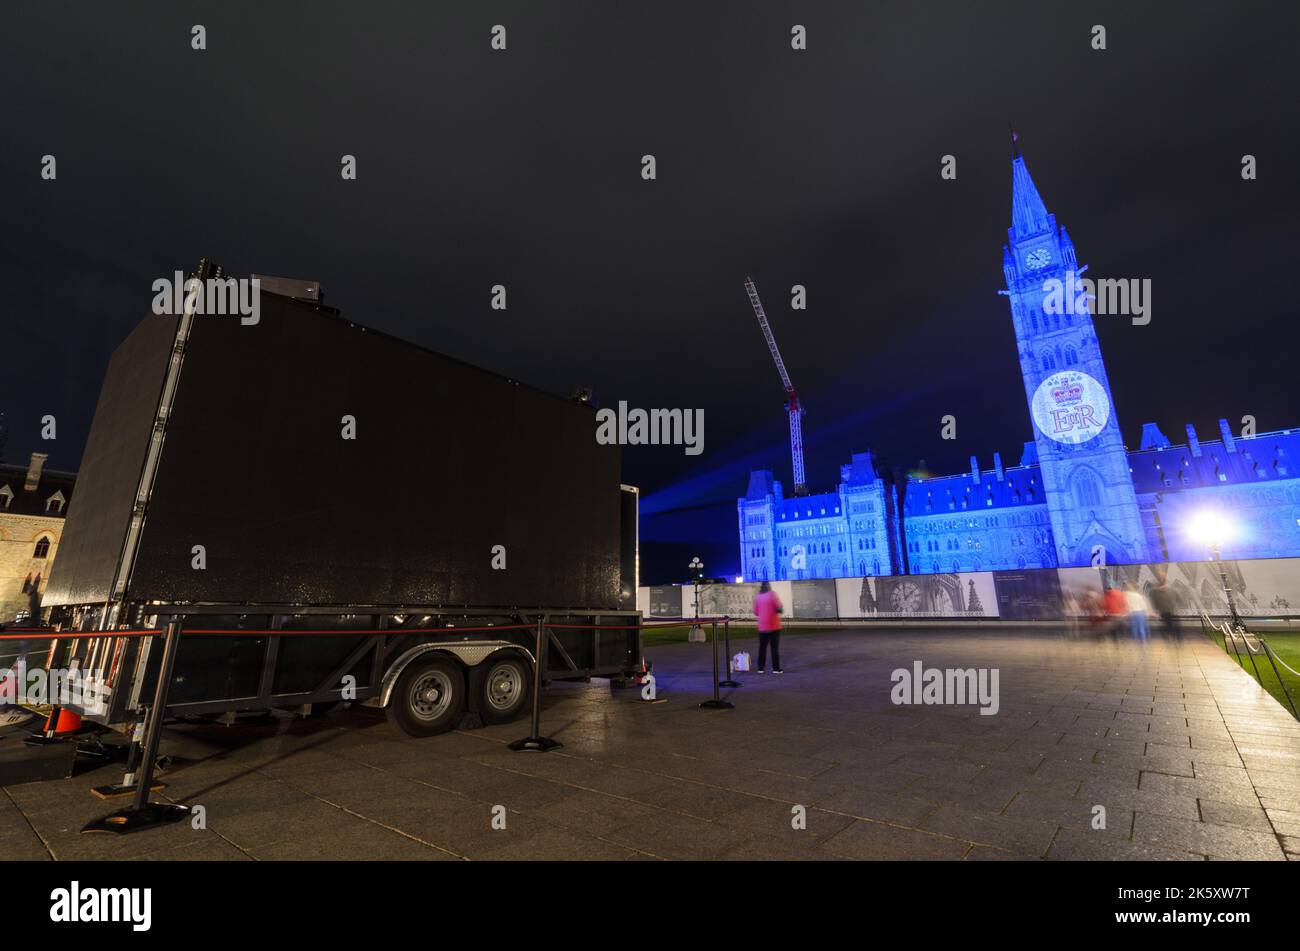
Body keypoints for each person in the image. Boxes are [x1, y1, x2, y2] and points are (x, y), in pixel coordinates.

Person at [753, 581, 784, 673]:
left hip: (762, 627)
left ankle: (760, 668)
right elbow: (779, 608)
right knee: (774, 648)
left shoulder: (757, 597)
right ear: (769, 586)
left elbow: (756, 612)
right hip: (774, 626)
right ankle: (776, 669)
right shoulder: (773, 595)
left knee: (762, 648)